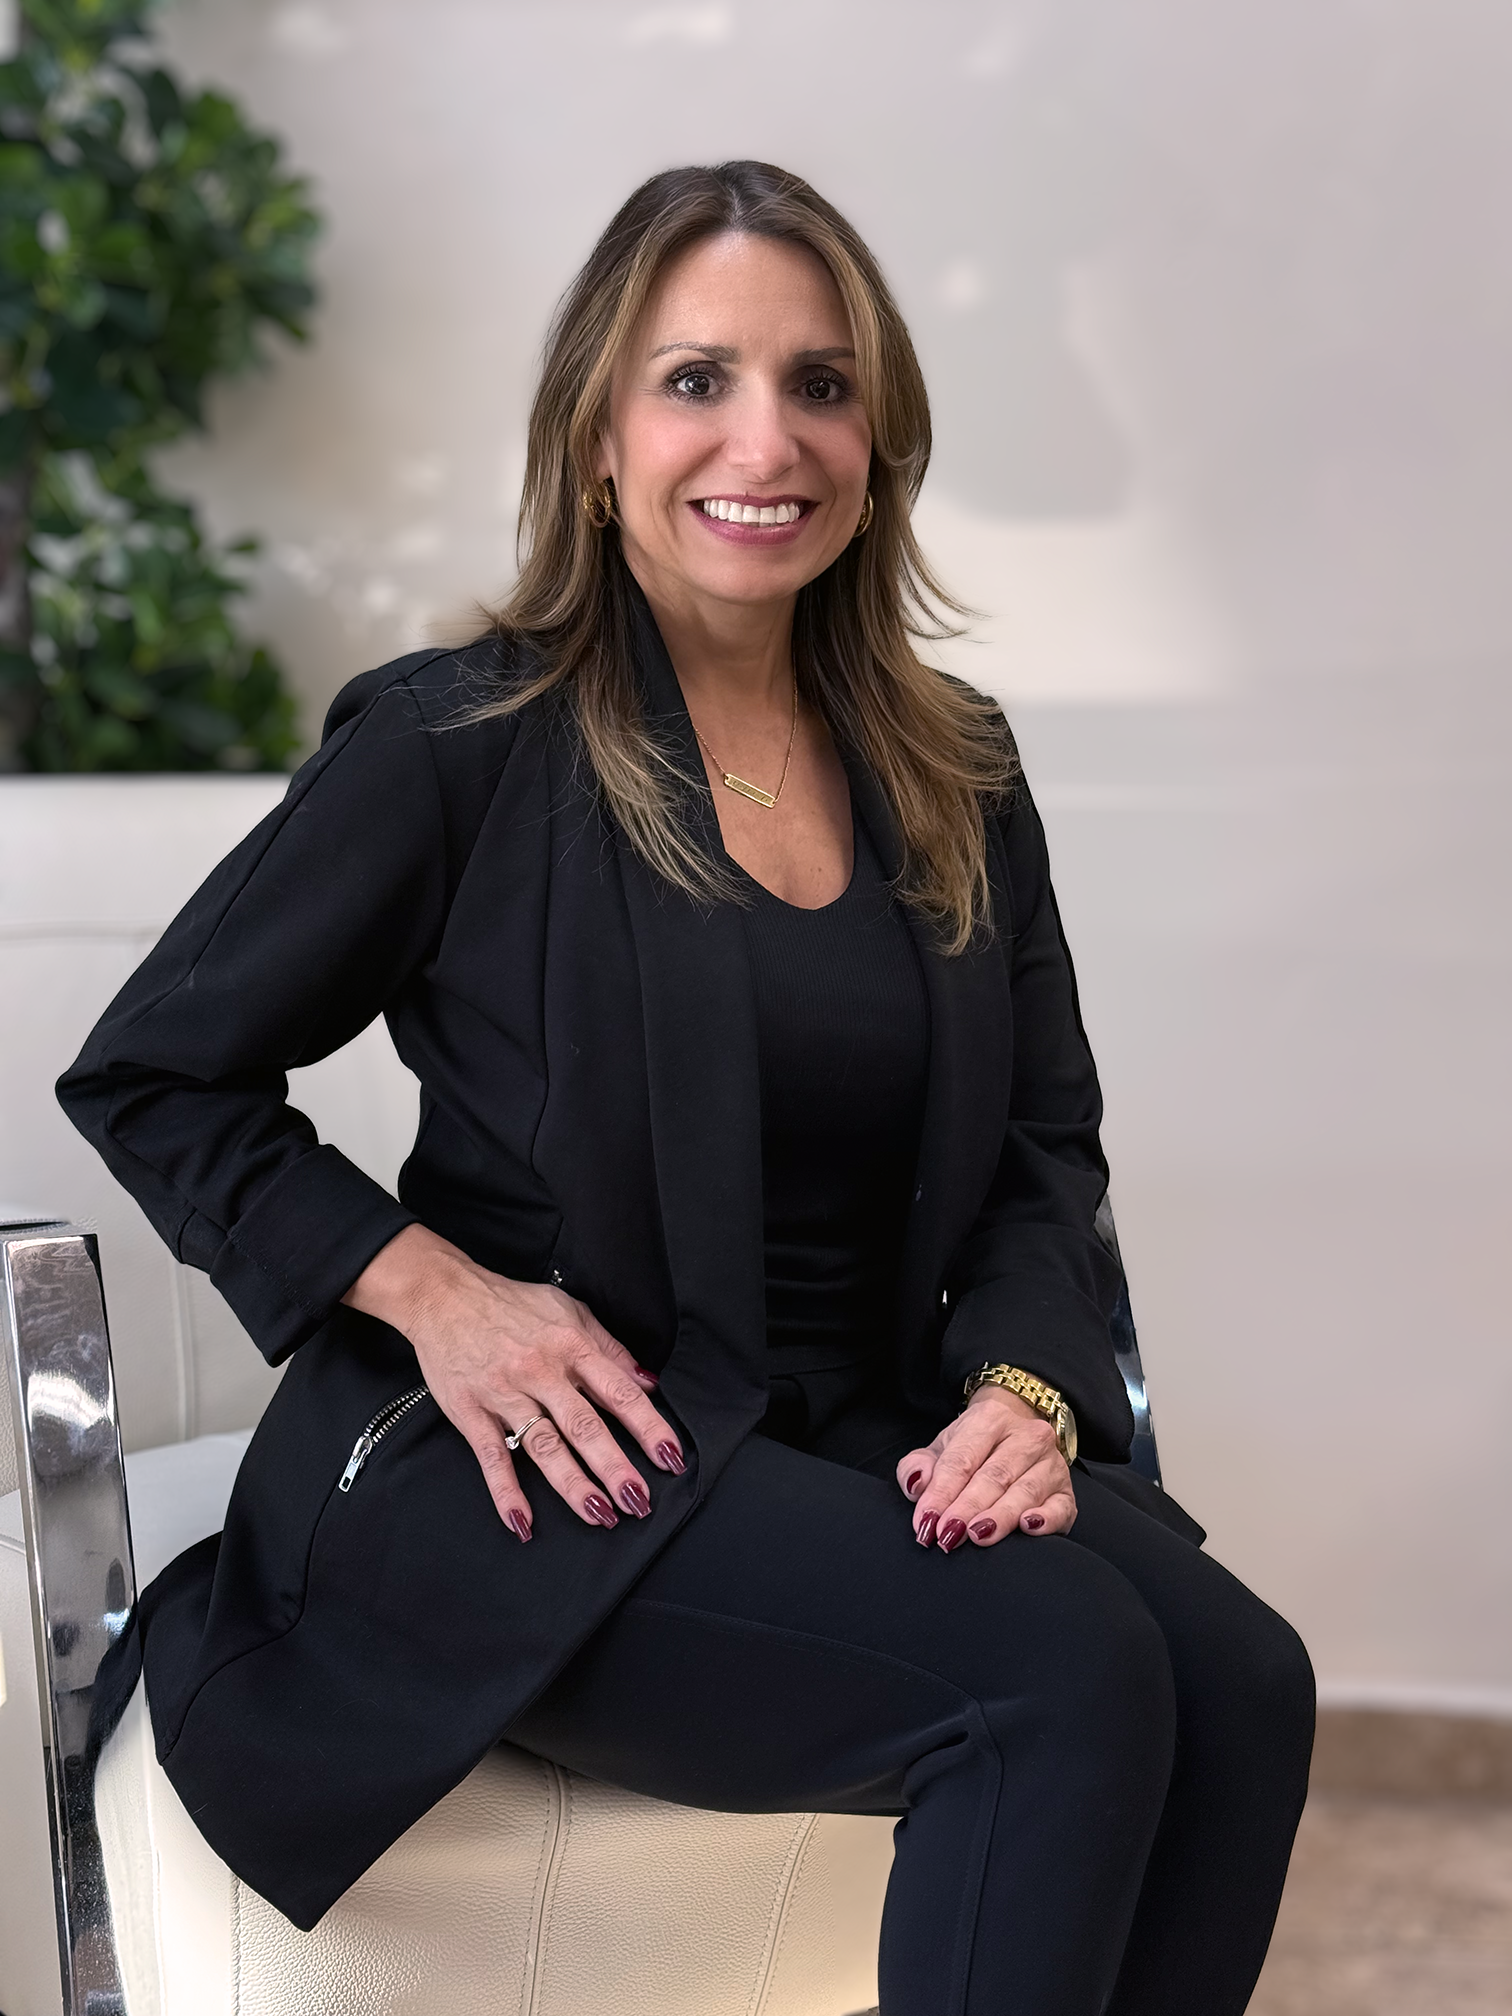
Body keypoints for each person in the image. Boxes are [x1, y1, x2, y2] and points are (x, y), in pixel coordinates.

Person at [61, 160, 1313, 2014]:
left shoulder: (956, 765)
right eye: (696, 379)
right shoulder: (455, 743)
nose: (767, 437)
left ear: (880, 436)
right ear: (596, 438)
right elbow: (157, 1071)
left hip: (846, 1436)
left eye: (820, 382)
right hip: (554, 1479)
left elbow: (1042, 1157)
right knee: (1057, 1666)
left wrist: (1027, 1393)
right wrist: (433, 1292)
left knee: (1248, 1678)